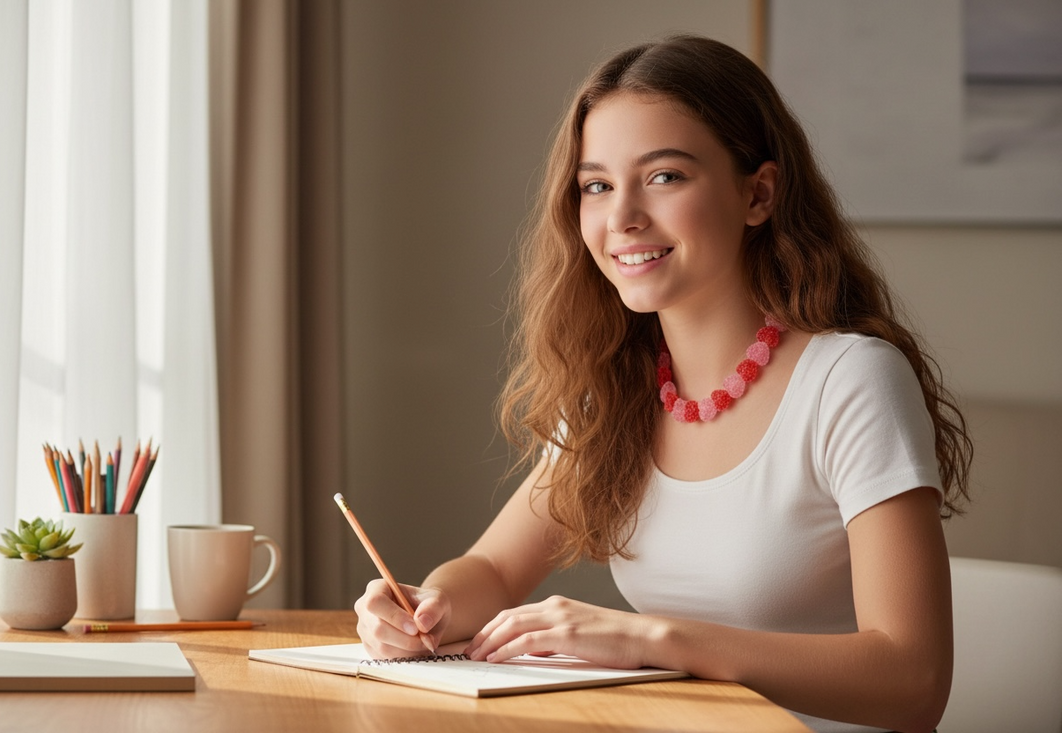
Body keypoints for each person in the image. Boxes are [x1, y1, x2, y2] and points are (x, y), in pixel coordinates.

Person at [354, 35, 972, 733]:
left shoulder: (850, 380)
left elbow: (914, 681)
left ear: (758, 194)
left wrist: (651, 639)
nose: (622, 218)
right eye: (597, 185)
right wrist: (424, 608)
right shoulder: (615, 390)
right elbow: (494, 570)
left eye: (665, 176)